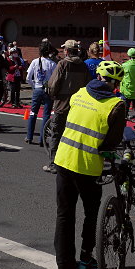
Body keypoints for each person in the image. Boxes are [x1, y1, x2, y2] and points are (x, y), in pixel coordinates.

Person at [53, 60, 127, 269]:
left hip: (64, 160)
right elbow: (111, 142)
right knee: (92, 214)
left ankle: (64, 266)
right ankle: (86, 259)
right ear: (116, 83)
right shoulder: (116, 105)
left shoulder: (79, 93)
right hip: (88, 166)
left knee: (64, 214)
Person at [44, 40, 90, 173]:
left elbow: (53, 84)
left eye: (64, 49)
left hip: (62, 104)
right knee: (75, 135)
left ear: (67, 51)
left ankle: (53, 164)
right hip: (78, 106)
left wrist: (52, 94)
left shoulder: (63, 64)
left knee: (56, 134)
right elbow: (87, 85)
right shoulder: (83, 66)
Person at [25, 43, 57, 145]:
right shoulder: (52, 64)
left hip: (37, 89)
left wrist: (34, 86)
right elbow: (55, 79)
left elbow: (28, 78)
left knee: (33, 113)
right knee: (46, 115)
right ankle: (42, 139)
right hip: (47, 90)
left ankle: (29, 137)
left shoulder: (35, 61)